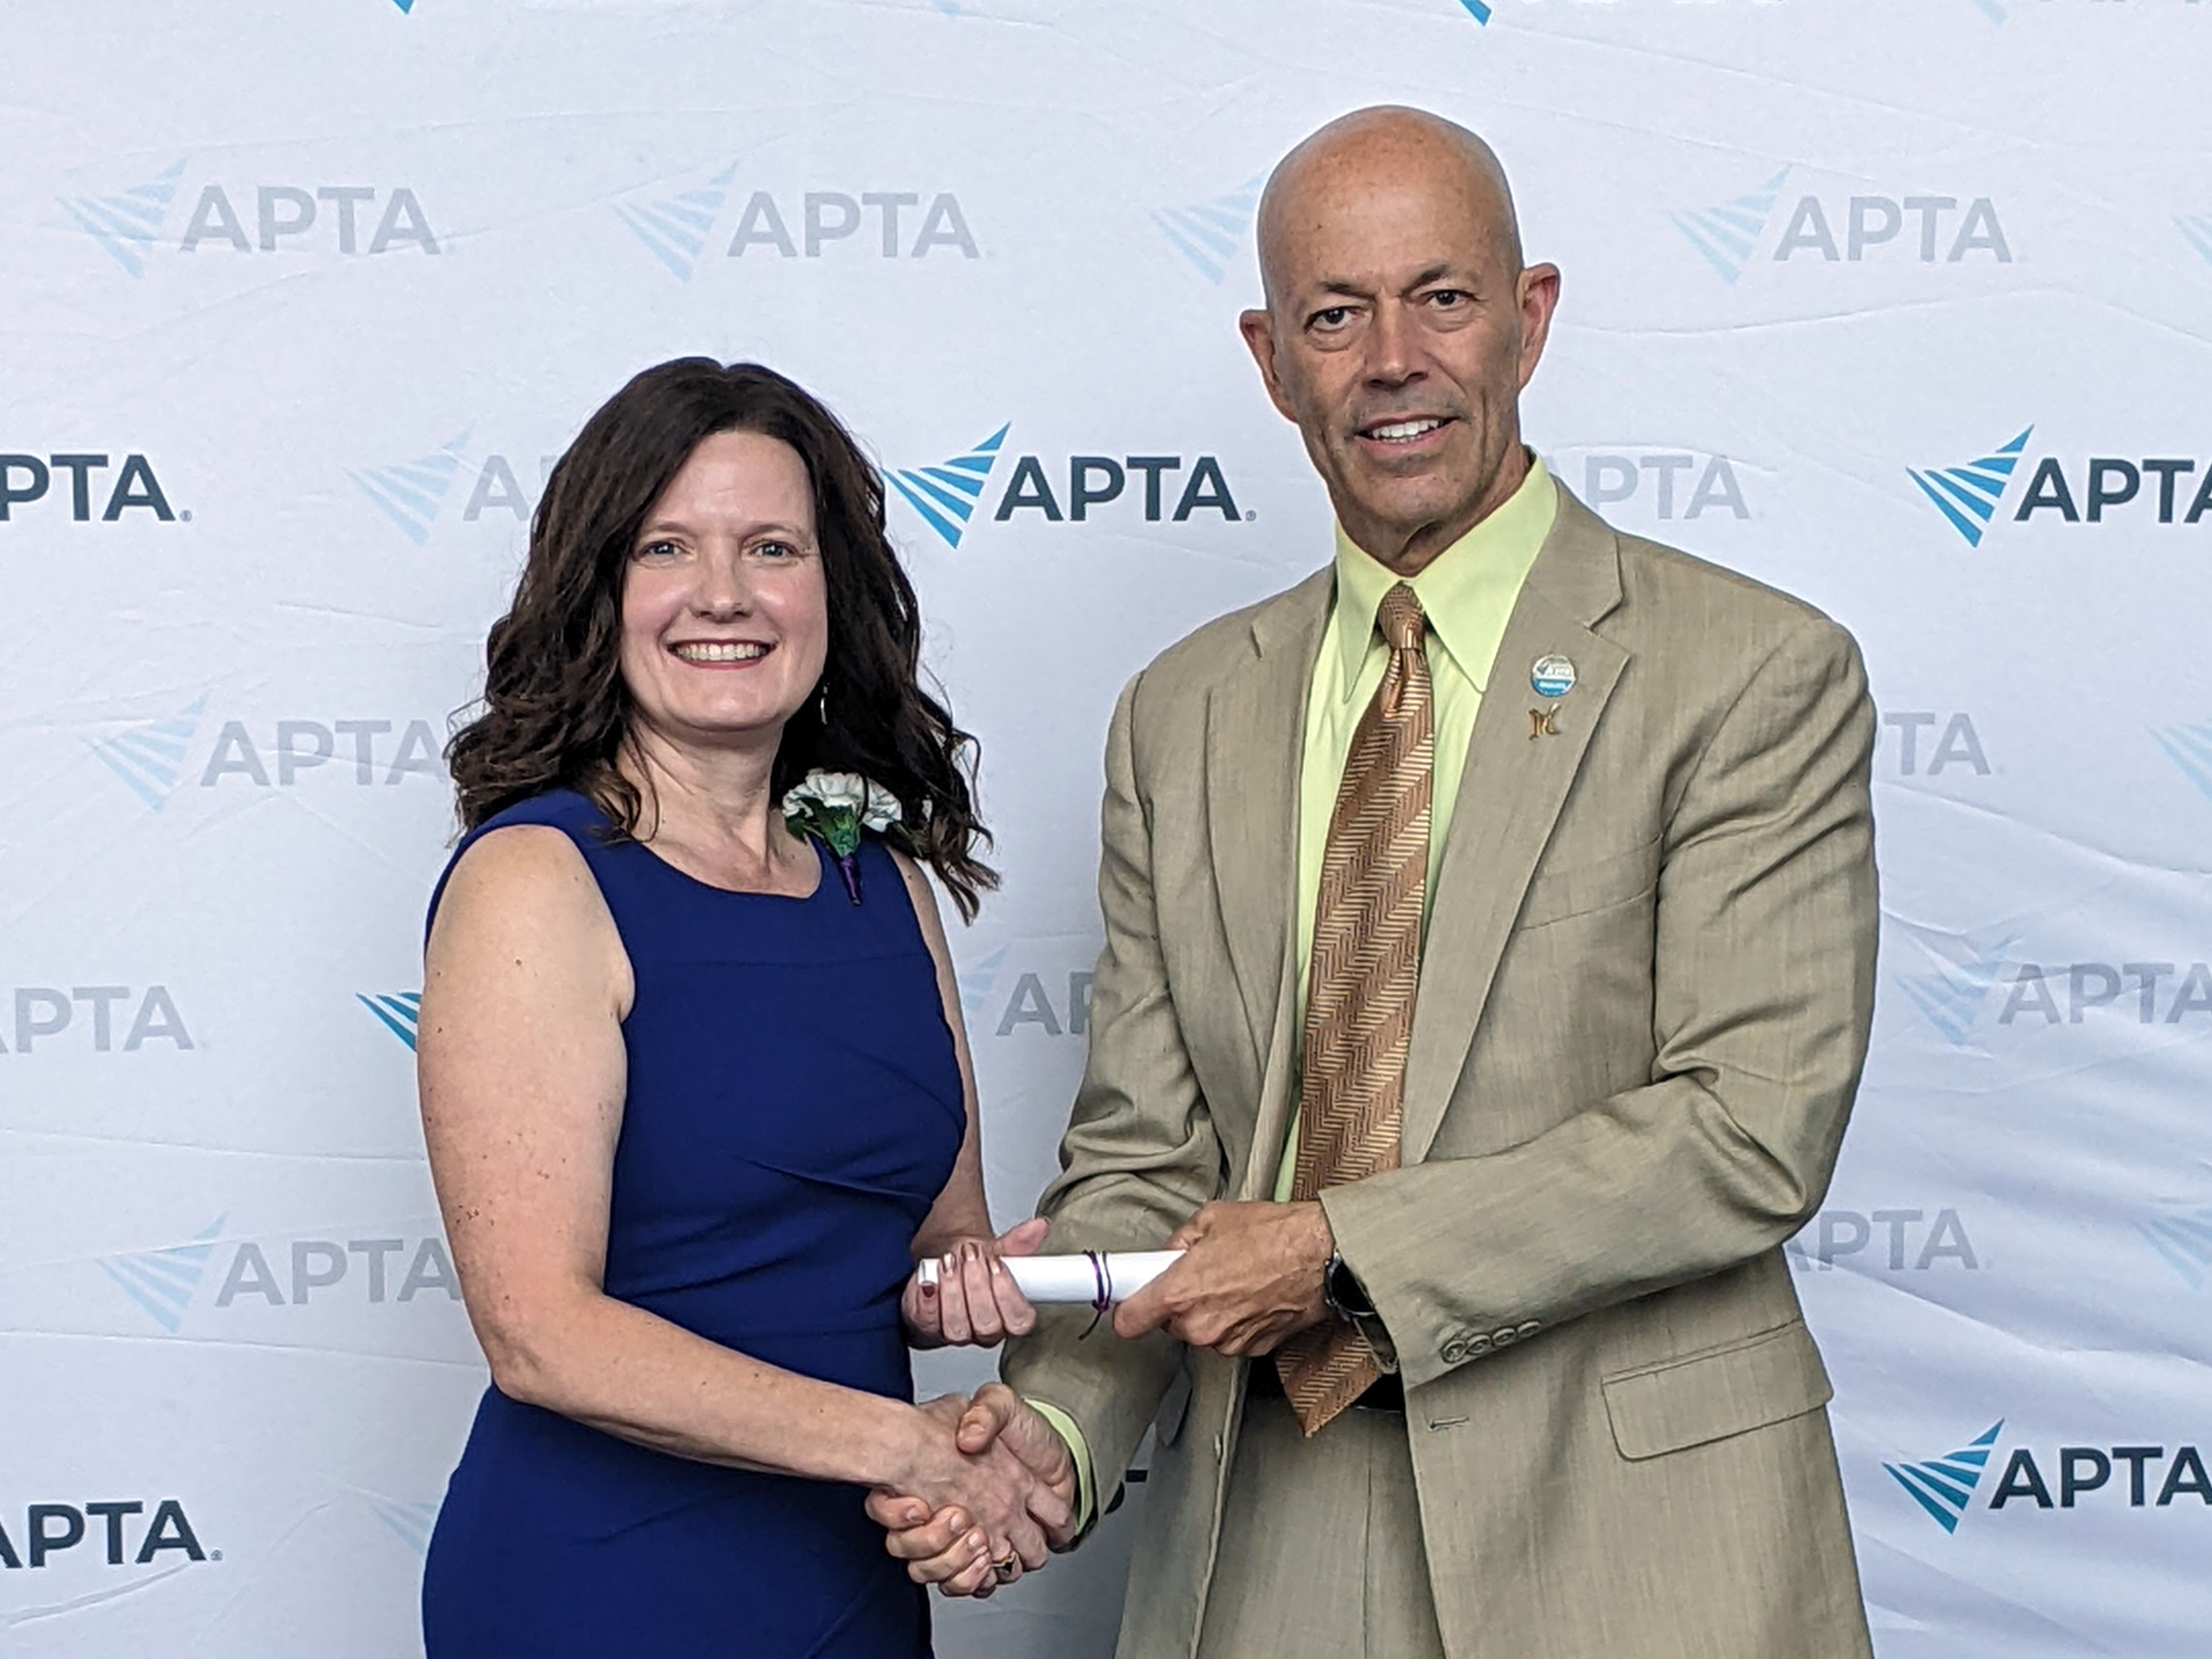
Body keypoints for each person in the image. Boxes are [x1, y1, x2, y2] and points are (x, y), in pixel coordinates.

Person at [873, 107, 1880, 1656]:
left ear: (1529, 320)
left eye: (1443, 297)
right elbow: (1152, 1158)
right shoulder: (1181, 712)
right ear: (1273, 362)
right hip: (1265, 1528)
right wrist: (1053, 1434)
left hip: (1642, 1547)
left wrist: (1338, 1251)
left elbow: (1749, 1128)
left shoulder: (1750, 673)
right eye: (1337, 316)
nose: (1393, 357)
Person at [414, 358, 1065, 1658]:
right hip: (603, 1586)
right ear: (600, 590)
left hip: (849, 1578)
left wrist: (977, 1289)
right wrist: (909, 1447)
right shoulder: (536, 881)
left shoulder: (885, 887)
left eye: (772, 547)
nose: (724, 594)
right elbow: (540, 1333)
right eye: (668, 547)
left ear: (833, 593)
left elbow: (936, 1245)